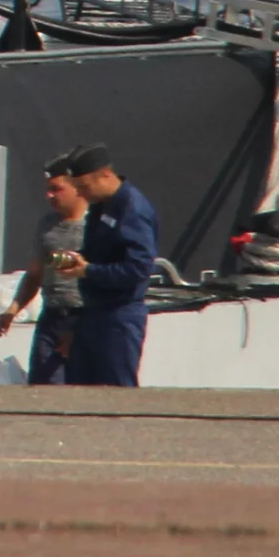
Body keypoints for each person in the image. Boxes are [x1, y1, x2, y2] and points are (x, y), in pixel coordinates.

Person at [59, 142, 158, 387]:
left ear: (105, 175)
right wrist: (78, 260)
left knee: (116, 394)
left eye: (84, 187)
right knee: (79, 390)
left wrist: (88, 270)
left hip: (119, 315)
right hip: (92, 311)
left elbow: (139, 268)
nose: (81, 194)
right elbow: (101, 253)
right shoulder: (101, 206)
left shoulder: (132, 208)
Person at [0, 152, 88, 383]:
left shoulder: (97, 227)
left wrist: (81, 333)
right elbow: (35, 274)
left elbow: (108, 283)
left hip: (86, 319)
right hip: (51, 318)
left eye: (57, 189)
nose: (49, 196)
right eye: (48, 189)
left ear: (77, 188)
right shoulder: (46, 225)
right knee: (41, 391)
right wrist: (11, 312)